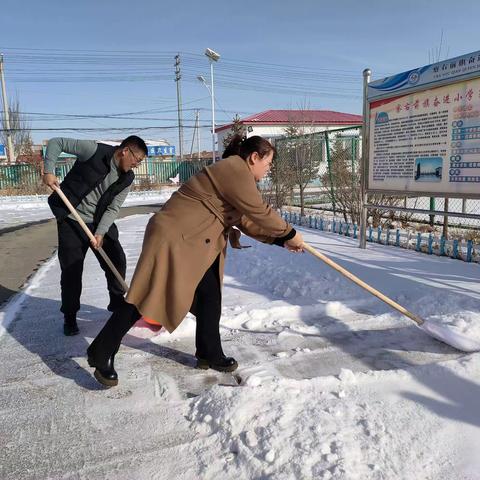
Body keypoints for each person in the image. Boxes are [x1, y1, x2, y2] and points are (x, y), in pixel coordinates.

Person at [87, 135, 304, 387]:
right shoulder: (235, 169)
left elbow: (246, 220)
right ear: (254, 157)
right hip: (176, 237)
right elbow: (259, 210)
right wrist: (290, 233)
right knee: (148, 295)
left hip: (198, 242)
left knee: (210, 296)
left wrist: (281, 240)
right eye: (268, 162)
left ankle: (209, 352)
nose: (269, 169)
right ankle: (101, 350)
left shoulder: (235, 175)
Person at [42, 136, 147, 336]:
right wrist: (49, 170)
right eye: (137, 159)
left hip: (98, 221)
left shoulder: (127, 178)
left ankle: (117, 303)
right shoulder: (93, 150)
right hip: (72, 217)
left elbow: (113, 208)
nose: (136, 165)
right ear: (125, 151)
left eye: (140, 162)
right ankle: (70, 316)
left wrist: (100, 233)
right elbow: (56, 143)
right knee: (72, 269)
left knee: (116, 259)